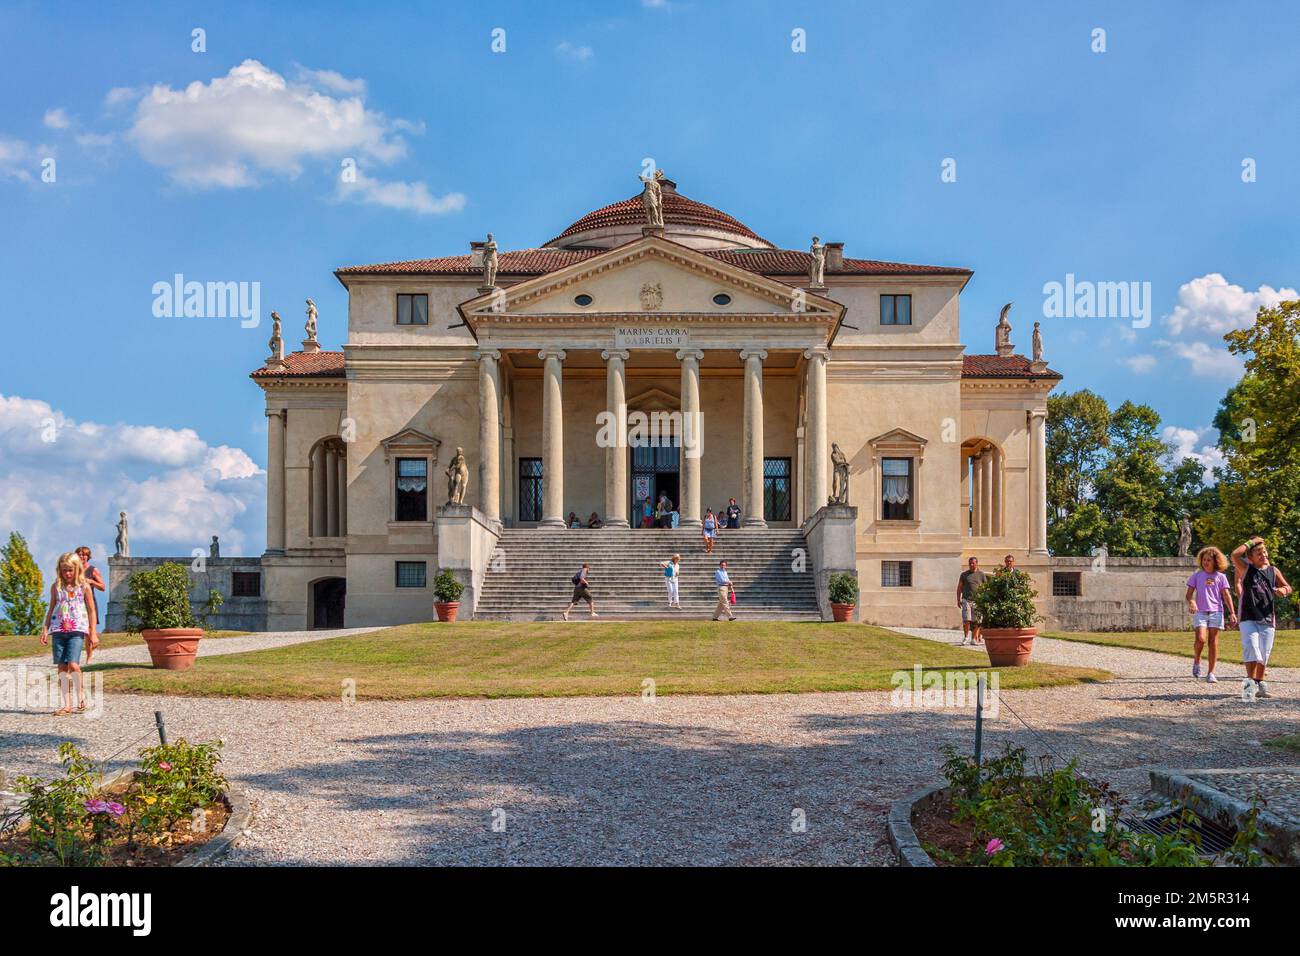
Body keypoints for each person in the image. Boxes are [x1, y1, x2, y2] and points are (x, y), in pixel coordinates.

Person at [1231, 537, 1292, 699]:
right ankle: (1249, 686)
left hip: (1267, 617)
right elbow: (1235, 555)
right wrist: (1252, 542)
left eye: (1264, 551)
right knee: (1251, 647)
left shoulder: (1273, 570)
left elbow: (1288, 587)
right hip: (1248, 616)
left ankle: (1260, 683)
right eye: (1258, 553)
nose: (1263, 555)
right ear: (1250, 558)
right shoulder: (1246, 569)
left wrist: (1283, 591)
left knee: (1264, 652)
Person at [40, 552, 98, 715]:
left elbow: (92, 610)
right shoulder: (56, 586)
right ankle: (67, 704)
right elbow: (51, 608)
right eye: (64, 570)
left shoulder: (84, 586)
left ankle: (80, 697)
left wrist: (92, 633)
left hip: (76, 630)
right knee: (62, 667)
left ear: (77, 569)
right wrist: (45, 629)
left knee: (73, 664)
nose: (67, 574)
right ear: (59, 570)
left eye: (70, 570)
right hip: (58, 630)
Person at [1186, 546, 1236, 683]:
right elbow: (1189, 595)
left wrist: (1232, 612)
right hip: (1201, 612)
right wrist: (1192, 602)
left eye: (1209, 560)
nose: (1206, 562)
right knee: (1201, 639)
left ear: (1215, 561)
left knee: (1213, 642)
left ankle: (1211, 673)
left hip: (1216, 612)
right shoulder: (1197, 576)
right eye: (1204, 560)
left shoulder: (1221, 577)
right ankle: (1197, 661)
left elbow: (1226, 595)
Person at [76, 545, 105, 663]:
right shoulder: (73, 569)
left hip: (89, 602)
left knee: (88, 630)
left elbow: (103, 587)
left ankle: (89, 657)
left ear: (88, 557)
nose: (81, 556)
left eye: (84, 554)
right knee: (77, 630)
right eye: (79, 554)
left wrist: (92, 581)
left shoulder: (93, 570)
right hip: (75, 603)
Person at [956, 556, 988, 646]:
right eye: (970, 563)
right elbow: (959, 588)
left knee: (976, 621)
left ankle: (974, 639)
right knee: (966, 620)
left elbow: (986, 588)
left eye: (973, 563)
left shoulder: (981, 574)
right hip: (966, 599)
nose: (971, 565)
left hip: (978, 601)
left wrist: (985, 600)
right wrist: (958, 599)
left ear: (977, 563)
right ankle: (966, 637)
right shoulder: (964, 574)